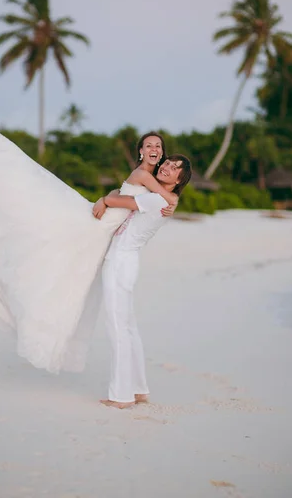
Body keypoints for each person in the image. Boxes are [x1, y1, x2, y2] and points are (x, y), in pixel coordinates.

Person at [0, 113, 178, 375]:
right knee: (45, 240)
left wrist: (106, 198)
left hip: (101, 230)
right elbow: (168, 197)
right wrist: (165, 199)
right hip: (95, 227)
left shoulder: (144, 177)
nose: (154, 149)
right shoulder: (145, 175)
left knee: (63, 273)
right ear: (141, 152)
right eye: (149, 146)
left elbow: (119, 194)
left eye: (158, 146)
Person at [92, 155, 192, 409]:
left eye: (175, 168)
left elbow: (116, 200)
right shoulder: (161, 199)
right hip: (127, 261)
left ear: (181, 180)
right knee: (128, 328)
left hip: (120, 262)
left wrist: (104, 199)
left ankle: (121, 395)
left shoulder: (156, 199)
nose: (168, 168)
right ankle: (138, 390)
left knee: (118, 328)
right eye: (168, 163)